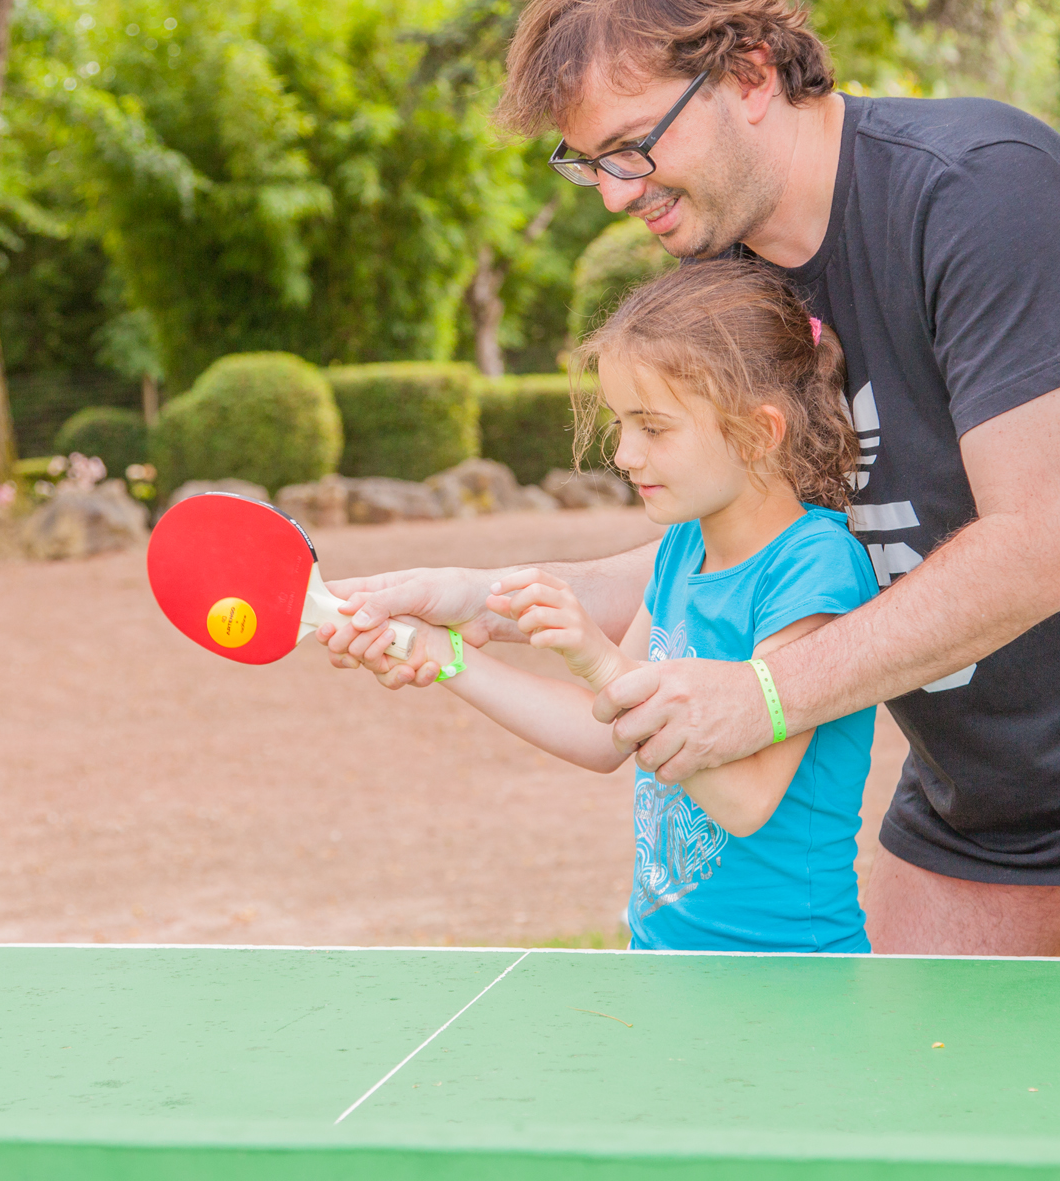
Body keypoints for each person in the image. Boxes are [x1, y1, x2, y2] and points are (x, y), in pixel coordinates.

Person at [324, 0, 1060, 961]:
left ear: (750, 73)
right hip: (986, 768)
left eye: (632, 147)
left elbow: (1047, 546)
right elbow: (731, 553)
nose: (614, 195)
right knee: (900, 1072)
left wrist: (766, 697)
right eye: (590, 163)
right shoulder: (726, 280)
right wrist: (477, 601)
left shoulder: (982, 192)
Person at [376, 260, 879, 953]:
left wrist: (598, 659)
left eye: (653, 428)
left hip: (789, 976)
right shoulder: (683, 548)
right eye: (621, 424)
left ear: (760, 433)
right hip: (662, 958)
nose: (624, 454)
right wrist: (447, 657)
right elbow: (601, 735)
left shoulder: (814, 568)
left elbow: (746, 800)